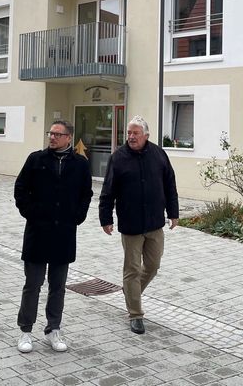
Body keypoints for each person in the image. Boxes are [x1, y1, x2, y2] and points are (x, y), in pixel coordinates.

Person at [14, 120, 92, 353]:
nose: (52, 137)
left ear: (69, 137)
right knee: (33, 284)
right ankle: (25, 331)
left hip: (64, 233)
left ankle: (53, 329)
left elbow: (85, 194)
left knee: (58, 286)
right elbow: (20, 188)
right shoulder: (36, 159)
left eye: (58, 134)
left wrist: (77, 216)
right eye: (51, 133)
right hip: (38, 232)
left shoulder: (80, 164)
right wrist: (30, 212)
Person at [99, 115, 179, 335]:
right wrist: (105, 218)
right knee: (132, 269)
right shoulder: (119, 157)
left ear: (146, 135)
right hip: (131, 224)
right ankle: (135, 314)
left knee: (152, 266)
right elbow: (108, 191)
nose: (131, 137)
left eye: (135, 133)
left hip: (155, 222)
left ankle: (130, 292)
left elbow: (170, 184)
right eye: (129, 133)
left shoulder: (159, 154)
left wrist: (174, 213)